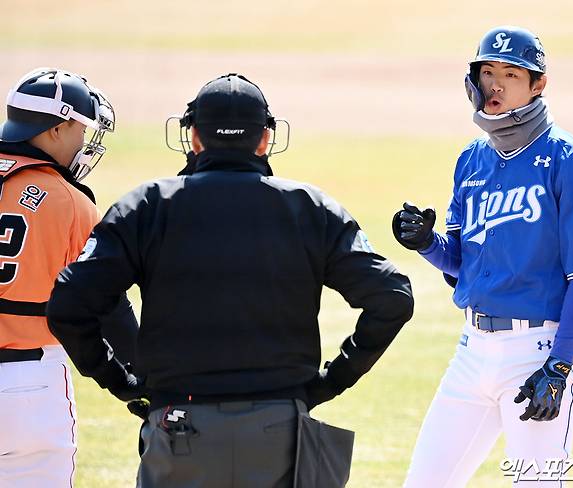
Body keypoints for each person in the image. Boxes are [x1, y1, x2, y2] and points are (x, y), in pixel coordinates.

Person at [47, 73, 414, 488]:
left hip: (178, 428)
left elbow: (68, 306)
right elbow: (393, 297)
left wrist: (123, 383)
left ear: (194, 139)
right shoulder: (311, 207)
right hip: (281, 433)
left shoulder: (147, 205)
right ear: (264, 140)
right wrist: (331, 382)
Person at [392, 26, 573, 487]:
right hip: (472, 354)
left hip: (539, 350)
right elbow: (464, 268)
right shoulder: (471, 159)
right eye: (487, 72)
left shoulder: (569, 160)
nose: (495, 85)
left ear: (538, 84)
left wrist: (559, 367)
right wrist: (428, 245)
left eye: (511, 75)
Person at [0, 68, 138, 487]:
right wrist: (143, 380)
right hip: (27, 386)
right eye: (81, 128)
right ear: (57, 129)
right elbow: (108, 305)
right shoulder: (68, 201)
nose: (85, 140)